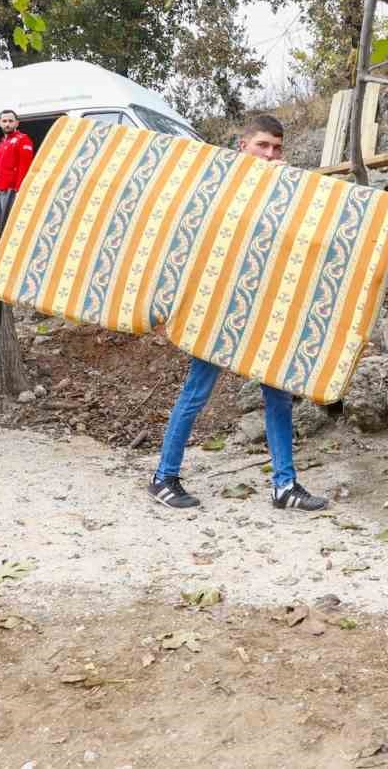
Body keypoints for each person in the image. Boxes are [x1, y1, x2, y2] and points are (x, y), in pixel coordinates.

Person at [147, 114, 328, 513]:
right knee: (196, 393)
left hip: (264, 307)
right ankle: (164, 476)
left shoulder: (285, 188)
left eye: (277, 148)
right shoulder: (221, 185)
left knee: (279, 395)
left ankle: (285, 486)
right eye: (263, 145)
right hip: (219, 308)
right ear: (242, 145)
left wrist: (286, 188)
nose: (271, 154)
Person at [0, 110, 34, 220]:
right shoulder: (0, 144)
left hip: (11, 192)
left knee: (8, 222)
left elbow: (25, 167)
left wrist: (20, 190)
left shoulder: (23, 139)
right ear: (0, 123)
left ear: (17, 123)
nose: (7, 124)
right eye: (4, 121)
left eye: (11, 121)